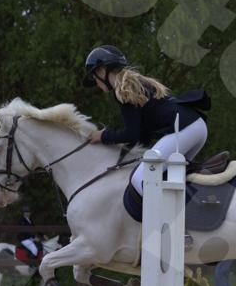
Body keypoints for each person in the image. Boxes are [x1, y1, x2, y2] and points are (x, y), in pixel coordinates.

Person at [82, 44, 211, 202]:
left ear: (102, 71)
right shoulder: (136, 83)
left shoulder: (124, 90)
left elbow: (131, 134)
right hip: (196, 126)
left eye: (94, 77)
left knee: (140, 179)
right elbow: (141, 136)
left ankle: (165, 217)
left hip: (184, 129)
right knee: (171, 176)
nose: (96, 83)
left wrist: (102, 136)